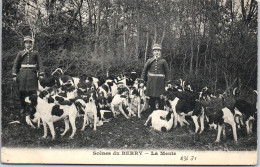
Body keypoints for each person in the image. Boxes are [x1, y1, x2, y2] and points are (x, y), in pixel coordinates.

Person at [12, 36, 44, 122]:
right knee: (22, 92)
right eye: (26, 42)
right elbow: (15, 64)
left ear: (32, 44)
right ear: (24, 44)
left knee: (32, 92)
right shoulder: (20, 53)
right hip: (22, 75)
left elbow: (40, 64)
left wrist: (41, 74)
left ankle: (33, 110)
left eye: (30, 43)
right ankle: (23, 108)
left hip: (32, 75)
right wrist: (14, 75)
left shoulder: (35, 53)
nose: (28, 44)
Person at [141, 43, 171, 111]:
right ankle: (152, 112)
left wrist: (168, 82)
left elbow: (167, 72)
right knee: (151, 97)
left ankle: (160, 112)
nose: (156, 52)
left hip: (160, 82)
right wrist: (142, 81)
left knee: (161, 97)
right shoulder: (149, 60)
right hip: (151, 81)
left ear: (160, 52)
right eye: (155, 51)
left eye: (158, 51)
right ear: (153, 52)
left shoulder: (163, 61)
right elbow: (144, 71)